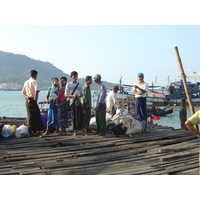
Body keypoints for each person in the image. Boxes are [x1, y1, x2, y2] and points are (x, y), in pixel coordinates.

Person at [21, 70, 44, 135]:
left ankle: (31, 130)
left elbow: (22, 92)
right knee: (36, 115)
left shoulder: (26, 82)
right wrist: (35, 99)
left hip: (28, 100)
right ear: (35, 75)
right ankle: (35, 130)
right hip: (32, 99)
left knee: (30, 115)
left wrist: (27, 97)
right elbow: (36, 90)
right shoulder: (34, 81)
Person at [65, 71, 87, 137]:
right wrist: (73, 96)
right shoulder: (68, 85)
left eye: (76, 76)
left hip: (78, 101)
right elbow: (65, 95)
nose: (75, 78)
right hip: (72, 102)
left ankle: (83, 131)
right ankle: (75, 132)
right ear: (71, 77)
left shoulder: (80, 85)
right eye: (74, 76)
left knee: (81, 116)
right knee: (74, 116)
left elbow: (82, 94)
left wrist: (79, 95)